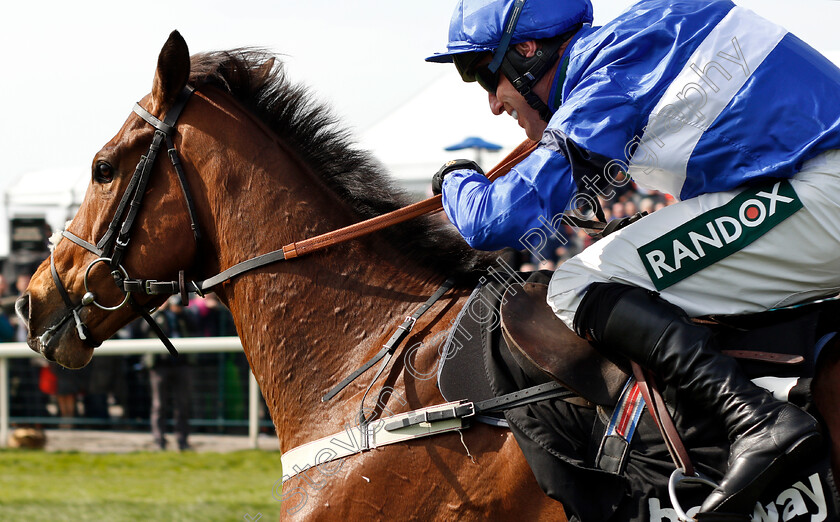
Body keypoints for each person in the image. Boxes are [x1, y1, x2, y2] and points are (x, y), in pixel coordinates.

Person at [427, 0, 840, 516]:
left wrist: (455, 179)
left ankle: (756, 420)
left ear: (527, 52)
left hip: (826, 197)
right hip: (816, 188)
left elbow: (496, 220)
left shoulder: (610, 72)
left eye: (483, 74)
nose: (492, 102)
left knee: (575, 283)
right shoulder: (644, 33)